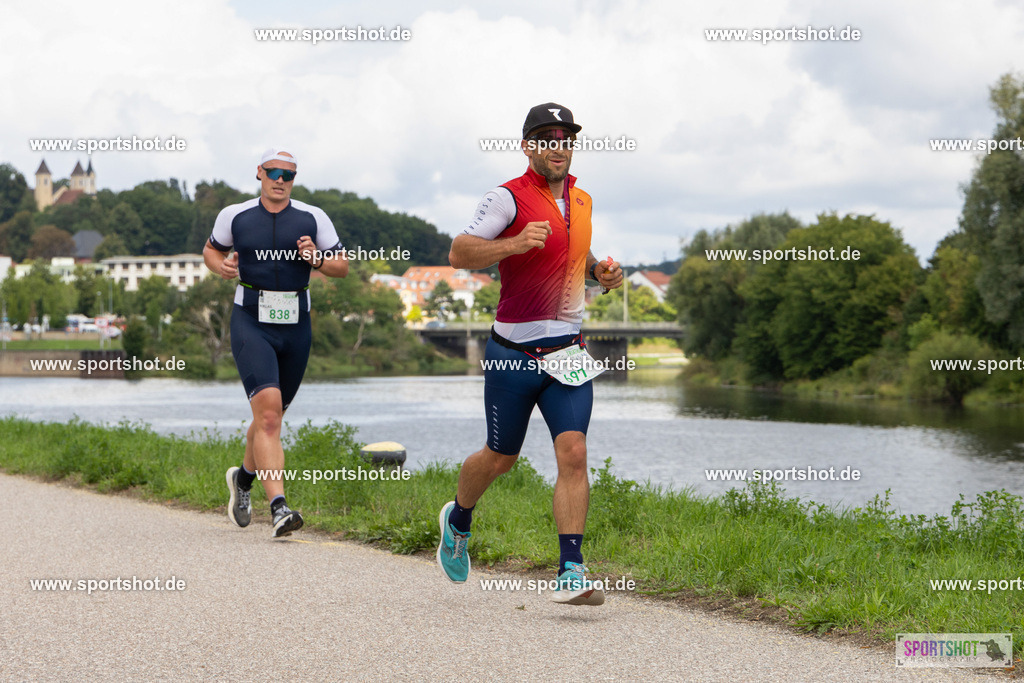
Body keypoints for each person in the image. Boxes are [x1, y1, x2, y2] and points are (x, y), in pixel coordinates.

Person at [436, 103, 623, 604]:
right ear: (528, 146)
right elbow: (459, 252)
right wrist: (514, 243)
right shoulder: (506, 197)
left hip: (568, 353)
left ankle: (571, 570)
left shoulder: (582, 201)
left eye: (565, 137)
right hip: (512, 355)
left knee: (574, 452)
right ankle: (458, 519)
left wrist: (600, 278)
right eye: (546, 137)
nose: (557, 145)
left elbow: (569, 263)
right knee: (501, 458)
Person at [203, 148, 349, 538]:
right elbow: (212, 250)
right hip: (251, 320)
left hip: (296, 325)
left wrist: (316, 259)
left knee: (269, 417)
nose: (280, 180)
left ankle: (243, 482)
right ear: (260, 173)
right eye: (274, 172)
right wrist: (222, 267)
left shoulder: (312, 217)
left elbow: (342, 266)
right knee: (268, 417)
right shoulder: (234, 215)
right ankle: (280, 507)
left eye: (288, 174)